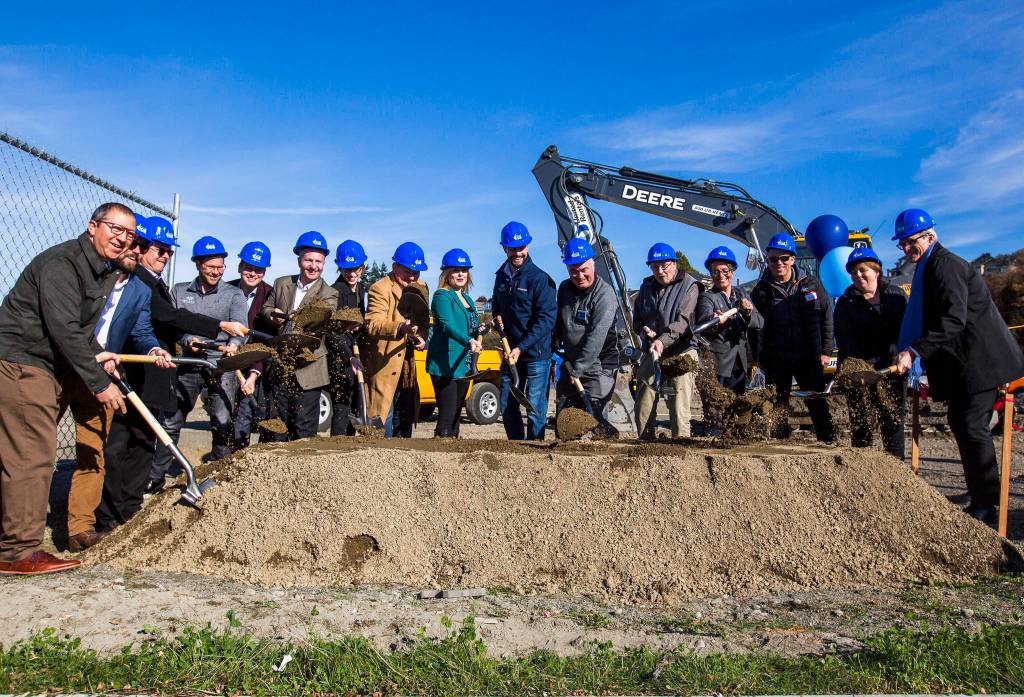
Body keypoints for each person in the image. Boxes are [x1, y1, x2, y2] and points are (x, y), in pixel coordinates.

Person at [0, 202, 133, 574]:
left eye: (129, 234)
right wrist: (99, 382)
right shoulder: (63, 263)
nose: (122, 239)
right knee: (32, 457)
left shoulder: (98, 269)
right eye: (115, 229)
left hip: (43, 364)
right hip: (24, 363)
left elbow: (77, 331)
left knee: (16, 456)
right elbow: (62, 328)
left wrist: (98, 353)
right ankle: (18, 552)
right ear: (93, 227)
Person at [893, 209, 1024, 524]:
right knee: (962, 421)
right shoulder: (929, 267)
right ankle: (980, 491)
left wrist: (914, 350)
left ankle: (985, 503)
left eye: (912, 242)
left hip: (983, 360)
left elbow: (953, 319)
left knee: (970, 424)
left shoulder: (946, 266)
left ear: (930, 236)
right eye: (903, 245)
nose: (908, 249)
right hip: (967, 362)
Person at [65, 219, 173, 550]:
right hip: (61, 363)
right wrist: (97, 353)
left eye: (141, 245)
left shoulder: (140, 288)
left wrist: (153, 348)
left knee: (93, 451)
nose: (135, 250)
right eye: (132, 243)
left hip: (101, 374)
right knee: (34, 450)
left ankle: (79, 530)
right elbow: (69, 324)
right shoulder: (92, 276)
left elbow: (140, 331)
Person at [149, 236, 247, 485]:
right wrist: (186, 340)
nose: (215, 272)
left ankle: (218, 474)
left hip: (220, 365)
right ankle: (155, 476)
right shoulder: (180, 291)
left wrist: (233, 347)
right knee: (171, 420)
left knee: (222, 420)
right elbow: (172, 324)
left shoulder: (234, 294)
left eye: (220, 267)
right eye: (210, 267)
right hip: (188, 365)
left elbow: (241, 329)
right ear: (197, 265)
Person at [750, 232, 836, 442]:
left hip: (808, 355)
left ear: (792, 259)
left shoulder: (811, 284)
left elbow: (826, 316)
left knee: (817, 403)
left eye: (783, 258)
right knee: (778, 406)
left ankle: (828, 443)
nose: (778, 263)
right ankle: (779, 449)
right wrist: (758, 360)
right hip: (776, 358)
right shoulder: (760, 291)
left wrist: (826, 351)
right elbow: (754, 329)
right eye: (773, 259)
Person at [261, 231, 339, 440]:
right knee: (277, 425)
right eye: (308, 260)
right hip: (281, 364)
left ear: (324, 263)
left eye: (318, 261)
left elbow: (320, 318)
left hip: (309, 367)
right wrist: (272, 315)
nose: (313, 266)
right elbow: (267, 307)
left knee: (304, 429)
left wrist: (291, 319)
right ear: (299, 260)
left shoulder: (329, 293)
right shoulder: (281, 283)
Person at [834, 247, 907, 459]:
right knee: (861, 423)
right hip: (860, 373)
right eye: (854, 272)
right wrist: (862, 367)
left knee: (892, 421)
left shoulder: (896, 296)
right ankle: (863, 471)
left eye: (863, 270)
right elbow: (845, 339)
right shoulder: (846, 302)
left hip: (891, 369)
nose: (858, 275)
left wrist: (898, 345)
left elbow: (907, 327)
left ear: (876, 271)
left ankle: (897, 469)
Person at [491, 221, 557, 440]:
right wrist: (496, 317)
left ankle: (535, 448)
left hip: (536, 354)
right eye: (513, 249)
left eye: (521, 248)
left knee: (535, 407)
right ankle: (517, 447)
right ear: (504, 249)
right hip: (510, 354)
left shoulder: (540, 279)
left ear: (527, 246)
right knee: (506, 404)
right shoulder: (501, 276)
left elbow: (546, 320)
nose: (518, 253)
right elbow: (497, 307)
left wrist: (522, 347)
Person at [633, 242, 703, 438]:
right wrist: (643, 329)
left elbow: (683, 321)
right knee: (644, 398)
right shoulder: (645, 287)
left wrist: (663, 340)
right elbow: (637, 319)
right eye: (655, 266)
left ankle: (681, 444)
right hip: (653, 350)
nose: (660, 271)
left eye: (665, 265)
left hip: (681, 350)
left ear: (675, 263)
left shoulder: (690, 285)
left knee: (678, 402)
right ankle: (645, 441)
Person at [553, 238, 619, 432]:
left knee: (593, 417)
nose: (579, 275)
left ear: (593, 264)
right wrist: (556, 337)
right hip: (572, 363)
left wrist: (578, 369)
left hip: (599, 365)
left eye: (584, 270)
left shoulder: (605, 295)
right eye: (573, 271)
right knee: (565, 417)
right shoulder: (564, 288)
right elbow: (560, 317)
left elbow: (596, 337)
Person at [365, 242, 428, 437]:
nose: (412, 277)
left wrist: (422, 338)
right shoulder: (380, 288)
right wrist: (400, 328)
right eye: (407, 271)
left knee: (405, 421)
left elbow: (423, 321)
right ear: (394, 267)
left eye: (416, 272)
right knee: (384, 423)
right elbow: (373, 324)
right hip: (385, 366)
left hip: (408, 369)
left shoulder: (421, 287)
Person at [426, 249, 481, 438]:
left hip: (462, 364)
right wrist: (469, 339)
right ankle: (439, 452)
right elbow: (447, 325)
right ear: (446, 273)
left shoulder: (466, 298)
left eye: (464, 270)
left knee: (457, 414)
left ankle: (453, 456)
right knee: (447, 416)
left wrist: (481, 330)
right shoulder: (442, 296)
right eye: (455, 270)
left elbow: (472, 325)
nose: (460, 274)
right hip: (446, 365)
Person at [696, 246, 763, 394]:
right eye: (715, 271)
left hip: (740, 363)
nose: (721, 275)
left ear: (732, 271)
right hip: (718, 366)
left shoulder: (741, 294)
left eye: (725, 271)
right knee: (716, 412)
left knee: (738, 411)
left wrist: (749, 313)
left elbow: (759, 322)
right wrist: (713, 321)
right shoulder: (707, 297)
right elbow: (703, 322)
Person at [227, 241, 274, 449]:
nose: (253, 273)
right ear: (239, 267)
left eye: (258, 270)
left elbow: (266, 341)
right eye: (248, 267)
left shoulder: (269, 296)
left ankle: (240, 456)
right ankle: (220, 459)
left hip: (254, 364)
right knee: (222, 416)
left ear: (264, 272)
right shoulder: (226, 290)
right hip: (227, 361)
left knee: (244, 417)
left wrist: (254, 375)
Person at [327, 240, 368, 436]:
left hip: (355, 351)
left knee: (355, 402)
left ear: (363, 267)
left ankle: (351, 443)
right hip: (340, 356)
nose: (351, 274)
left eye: (356, 269)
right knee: (342, 404)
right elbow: (332, 330)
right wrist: (347, 356)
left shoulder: (360, 290)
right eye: (346, 269)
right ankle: (337, 444)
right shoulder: (336, 291)